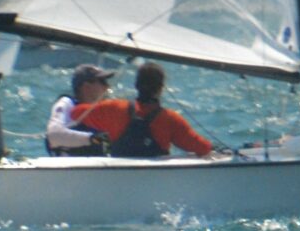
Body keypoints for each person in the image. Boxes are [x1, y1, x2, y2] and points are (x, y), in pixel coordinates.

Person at [71, 62, 217, 159]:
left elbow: (76, 113)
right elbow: (201, 147)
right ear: (161, 88)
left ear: (136, 85)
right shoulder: (170, 119)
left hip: (119, 180)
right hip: (154, 184)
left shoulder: (114, 108)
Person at [45, 62, 115, 156]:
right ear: (86, 87)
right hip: (69, 167)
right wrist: (92, 139)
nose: (107, 86)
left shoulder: (104, 112)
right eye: (103, 82)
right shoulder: (67, 103)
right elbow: (54, 135)